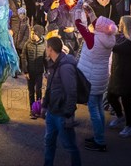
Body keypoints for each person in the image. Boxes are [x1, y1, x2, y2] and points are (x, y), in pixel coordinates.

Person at [75, 12, 118, 152]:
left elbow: (78, 24)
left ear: (99, 28)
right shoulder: (110, 38)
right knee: (99, 107)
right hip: (101, 78)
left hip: (91, 79)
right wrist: (91, 13)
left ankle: (99, 141)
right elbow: (96, 25)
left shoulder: (92, 39)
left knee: (94, 110)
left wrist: (78, 10)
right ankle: (99, 136)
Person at [42, 36, 81, 166]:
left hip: (62, 114)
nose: (45, 49)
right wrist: (44, 105)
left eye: (46, 47)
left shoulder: (65, 67)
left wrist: (68, 114)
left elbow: (71, 92)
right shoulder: (53, 63)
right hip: (52, 111)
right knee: (49, 141)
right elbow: (49, 86)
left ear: (50, 49)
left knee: (69, 145)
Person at [107, 16, 131, 138]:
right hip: (117, 74)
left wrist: (105, 34)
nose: (119, 25)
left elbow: (113, 46)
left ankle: (129, 126)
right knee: (111, 96)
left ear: (126, 26)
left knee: (126, 102)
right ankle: (120, 117)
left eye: (121, 24)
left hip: (127, 76)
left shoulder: (130, 43)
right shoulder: (122, 38)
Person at [21, 25, 47, 119]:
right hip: (30, 73)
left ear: (39, 35)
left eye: (34, 33)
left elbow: (46, 59)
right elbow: (24, 58)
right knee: (31, 91)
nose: (32, 35)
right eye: (32, 33)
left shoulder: (44, 45)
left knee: (38, 90)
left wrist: (47, 72)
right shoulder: (27, 44)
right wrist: (26, 71)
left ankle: (38, 109)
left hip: (39, 72)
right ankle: (32, 110)